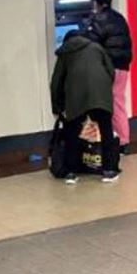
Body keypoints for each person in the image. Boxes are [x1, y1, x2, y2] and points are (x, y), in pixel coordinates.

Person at [50, 30, 119, 184]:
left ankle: (71, 172)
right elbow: (111, 71)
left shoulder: (65, 53)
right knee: (106, 130)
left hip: (76, 96)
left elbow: (56, 83)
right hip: (100, 93)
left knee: (72, 133)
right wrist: (105, 89)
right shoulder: (97, 48)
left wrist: (57, 107)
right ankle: (108, 170)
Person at [83, 0, 133, 152]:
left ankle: (105, 140)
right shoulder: (119, 18)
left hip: (106, 68)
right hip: (123, 66)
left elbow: (91, 45)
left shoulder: (97, 20)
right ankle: (124, 141)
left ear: (95, 3)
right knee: (118, 102)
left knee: (103, 105)